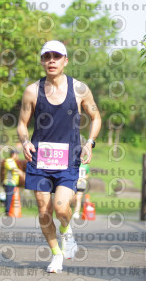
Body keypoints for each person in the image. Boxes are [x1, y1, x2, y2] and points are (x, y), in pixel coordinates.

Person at [17, 40, 101, 274]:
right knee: (44, 211)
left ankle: (67, 230)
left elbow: (96, 118)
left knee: (61, 207)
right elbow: (22, 124)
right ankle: (56, 255)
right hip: (40, 159)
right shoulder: (32, 90)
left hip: (68, 159)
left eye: (56, 56)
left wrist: (90, 143)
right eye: (46, 56)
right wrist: (25, 142)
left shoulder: (80, 89)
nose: (51, 61)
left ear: (66, 60)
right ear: (42, 60)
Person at [3, 149, 24, 216]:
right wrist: (21, 173)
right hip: (9, 182)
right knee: (9, 197)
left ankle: (9, 211)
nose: (17, 156)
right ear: (13, 154)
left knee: (11, 197)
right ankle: (7, 211)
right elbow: (12, 169)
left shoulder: (13, 162)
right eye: (16, 154)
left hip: (13, 182)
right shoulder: (9, 160)